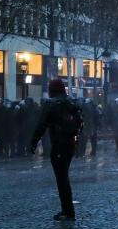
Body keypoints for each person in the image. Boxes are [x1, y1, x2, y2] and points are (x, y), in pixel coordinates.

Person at [29, 79, 83, 221]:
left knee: (62, 179)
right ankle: (67, 210)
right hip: (70, 144)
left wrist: (33, 142)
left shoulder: (51, 104)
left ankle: (68, 211)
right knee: (63, 177)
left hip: (58, 145)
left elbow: (41, 125)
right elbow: (81, 123)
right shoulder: (72, 102)